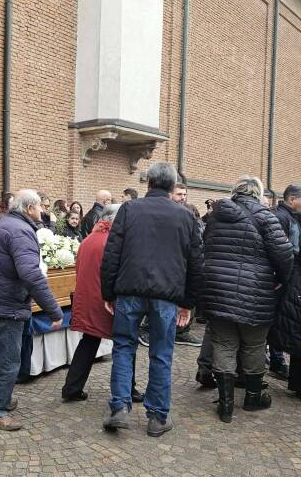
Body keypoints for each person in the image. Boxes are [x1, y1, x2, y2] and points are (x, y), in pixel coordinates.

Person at [100, 162, 203, 437]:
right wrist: (188, 302)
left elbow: (112, 253)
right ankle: (157, 416)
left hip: (131, 291)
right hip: (166, 296)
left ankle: (120, 407)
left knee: (123, 347)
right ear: (172, 187)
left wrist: (108, 292)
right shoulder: (185, 216)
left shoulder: (130, 209)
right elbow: (195, 262)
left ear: (148, 184)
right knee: (161, 353)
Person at [202, 175, 293, 423]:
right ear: (257, 193)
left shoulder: (215, 216)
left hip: (217, 289)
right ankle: (253, 397)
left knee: (223, 343)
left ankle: (226, 403)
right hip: (256, 291)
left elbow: (204, 247)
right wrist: (281, 280)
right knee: (254, 345)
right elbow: (284, 255)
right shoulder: (265, 217)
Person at [0, 189, 63, 431]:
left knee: (4, 356)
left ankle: (0, 398)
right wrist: (54, 311)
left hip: (3, 300)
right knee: (8, 359)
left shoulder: (8, 224)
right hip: (10, 304)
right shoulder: (20, 230)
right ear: (28, 208)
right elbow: (31, 274)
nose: (43, 211)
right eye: (40, 207)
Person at [62, 205, 144, 403]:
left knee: (89, 342)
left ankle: (72, 388)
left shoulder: (89, 238)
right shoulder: (114, 242)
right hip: (108, 302)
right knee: (125, 344)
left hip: (88, 299)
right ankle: (128, 389)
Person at [268, 184, 301, 380]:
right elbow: (279, 251)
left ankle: (277, 358)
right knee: (275, 319)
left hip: (289, 277)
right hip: (283, 278)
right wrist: (281, 277)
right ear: (292, 200)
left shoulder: (292, 217)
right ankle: (277, 359)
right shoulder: (281, 218)